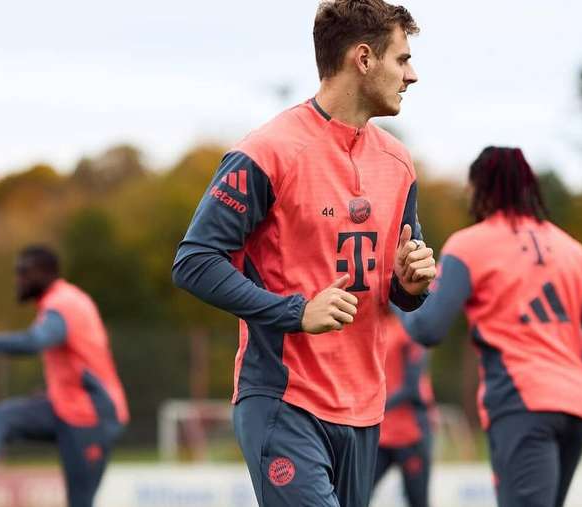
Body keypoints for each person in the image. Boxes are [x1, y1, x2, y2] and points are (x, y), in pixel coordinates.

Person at [171, 1, 436, 505]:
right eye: (402, 60)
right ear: (363, 58)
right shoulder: (267, 151)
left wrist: (410, 283)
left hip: (364, 409)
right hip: (283, 401)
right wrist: (295, 312)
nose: (413, 75)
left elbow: (400, 291)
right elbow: (194, 261)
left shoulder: (399, 162)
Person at [401, 146, 582, 507]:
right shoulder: (574, 250)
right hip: (576, 405)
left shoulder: (470, 244)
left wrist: (402, 298)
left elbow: (428, 329)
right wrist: (570, 376)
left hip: (522, 402)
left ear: (481, 190)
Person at [0, 246, 128, 507]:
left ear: (45, 273)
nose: (18, 279)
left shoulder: (64, 303)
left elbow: (34, 342)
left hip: (91, 416)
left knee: (80, 502)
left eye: (23, 272)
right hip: (63, 406)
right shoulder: (58, 302)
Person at [373, 306, 437, 507]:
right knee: (355, 496)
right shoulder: (379, 327)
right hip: (382, 435)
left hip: (412, 434)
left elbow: (412, 387)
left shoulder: (412, 329)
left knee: (418, 501)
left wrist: (376, 404)